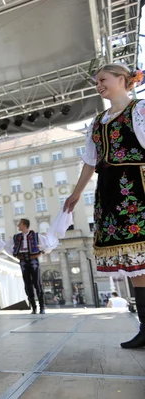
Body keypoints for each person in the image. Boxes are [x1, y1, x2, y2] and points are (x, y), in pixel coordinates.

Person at [64, 64, 145, 348]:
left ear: (122, 80)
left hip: (138, 186)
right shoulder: (98, 122)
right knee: (136, 266)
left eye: (103, 80)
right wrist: (75, 194)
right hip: (110, 191)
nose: (98, 85)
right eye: (96, 81)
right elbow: (89, 161)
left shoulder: (140, 110)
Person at [5, 219, 53, 314]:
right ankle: (33, 307)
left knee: (37, 283)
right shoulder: (16, 237)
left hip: (33, 259)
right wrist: (14, 254)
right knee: (27, 284)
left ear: (24, 225)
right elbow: (6, 246)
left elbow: (48, 245)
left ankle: (42, 307)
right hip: (23, 260)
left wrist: (41, 253)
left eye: (20, 224)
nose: (18, 225)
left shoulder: (36, 236)